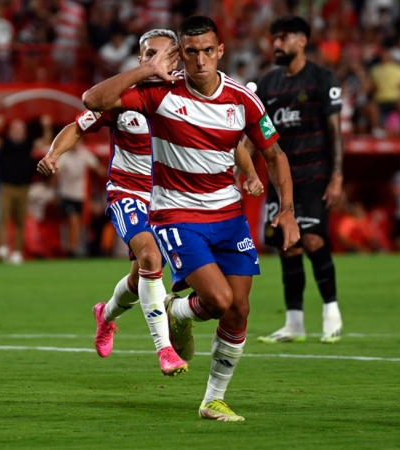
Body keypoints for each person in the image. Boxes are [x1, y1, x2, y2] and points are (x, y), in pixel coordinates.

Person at [82, 16, 299, 421]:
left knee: (239, 311)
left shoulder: (242, 100)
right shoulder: (159, 92)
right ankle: (176, 311)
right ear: (181, 53)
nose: (199, 60)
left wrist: (286, 210)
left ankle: (211, 398)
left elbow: (275, 154)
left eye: (207, 51)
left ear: (220, 51)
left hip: (229, 217)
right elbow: (93, 100)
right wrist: (147, 68)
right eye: (191, 51)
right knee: (219, 301)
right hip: (177, 215)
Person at [39, 29, 265, 378]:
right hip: (129, 192)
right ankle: (165, 351)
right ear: (141, 59)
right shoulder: (125, 97)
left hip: (171, 199)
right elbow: (78, 125)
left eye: (164, 54)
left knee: (139, 278)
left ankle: (107, 314)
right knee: (150, 258)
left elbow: (231, 141)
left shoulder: (181, 96)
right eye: (149, 55)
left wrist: (249, 172)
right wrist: (54, 154)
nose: (156, 60)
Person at [249, 16, 344, 345]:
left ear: (302, 40)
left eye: (284, 38)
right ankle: (294, 324)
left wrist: (337, 176)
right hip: (281, 180)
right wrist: (244, 168)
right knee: (287, 247)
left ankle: (332, 314)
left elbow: (335, 131)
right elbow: (252, 132)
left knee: (314, 240)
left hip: (315, 174)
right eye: (274, 38)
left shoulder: (321, 77)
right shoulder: (266, 84)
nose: (276, 44)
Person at [0, 116, 53, 265]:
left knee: (20, 221)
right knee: (3, 218)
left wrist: (47, 127)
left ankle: (16, 252)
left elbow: (46, 141)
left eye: (20, 129)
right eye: (15, 129)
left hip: (23, 187)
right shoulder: (5, 144)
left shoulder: (28, 144)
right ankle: (2, 247)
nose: (18, 132)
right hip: (6, 186)